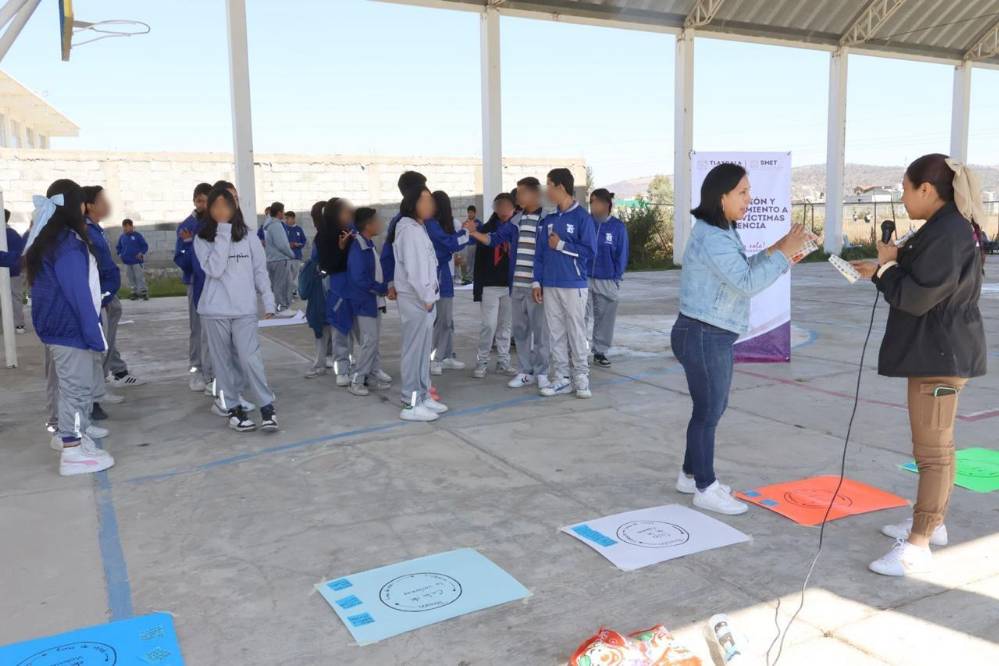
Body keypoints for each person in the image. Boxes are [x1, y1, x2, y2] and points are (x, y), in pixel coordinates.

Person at [850, 154, 987, 576]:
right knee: (936, 448)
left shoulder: (949, 233)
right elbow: (922, 282)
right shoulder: (946, 228)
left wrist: (886, 269)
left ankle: (918, 543)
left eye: (906, 188)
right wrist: (886, 264)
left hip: (940, 357)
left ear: (927, 190)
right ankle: (933, 522)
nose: (904, 197)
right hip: (936, 353)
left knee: (933, 454)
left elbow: (916, 296)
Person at [671, 163, 806, 515]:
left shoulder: (720, 230)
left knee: (709, 408)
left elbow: (742, 268)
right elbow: (746, 283)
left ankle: (690, 474)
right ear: (722, 197)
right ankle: (705, 486)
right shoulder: (714, 236)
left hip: (707, 332)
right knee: (709, 411)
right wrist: (783, 255)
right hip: (703, 334)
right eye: (742, 192)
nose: (749, 198)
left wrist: (778, 249)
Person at [24, 179, 115, 475]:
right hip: (70, 328)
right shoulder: (67, 244)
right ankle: (73, 450)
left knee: (72, 388)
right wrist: (93, 334)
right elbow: (78, 293)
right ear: (77, 207)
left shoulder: (50, 238)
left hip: (60, 326)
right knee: (76, 391)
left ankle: (75, 437)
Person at [195, 185, 279, 432]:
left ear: (235, 206)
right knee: (223, 364)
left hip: (244, 310)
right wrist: (222, 230)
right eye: (216, 205)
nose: (222, 210)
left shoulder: (250, 236)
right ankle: (233, 409)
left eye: (227, 205)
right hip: (215, 311)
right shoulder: (202, 239)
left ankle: (267, 407)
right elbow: (215, 269)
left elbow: (260, 271)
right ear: (209, 208)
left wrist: (269, 300)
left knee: (250, 359)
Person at [465, 178, 549, 388]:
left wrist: (544, 282)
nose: (517, 198)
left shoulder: (548, 220)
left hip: (537, 286)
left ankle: (542, 372)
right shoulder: (515, 222)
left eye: (520, 193)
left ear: (533, 195)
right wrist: (474, 233)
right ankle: (524, 371)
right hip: (517, 286)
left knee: (539, 332)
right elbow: (494, 239)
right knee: (520, 332)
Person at [532, 168, 597, 399]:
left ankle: (581, 378)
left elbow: (589, 252)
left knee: (576, 332)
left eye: (548, 185)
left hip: (574, 284)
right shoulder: (548, 219)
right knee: (556, 333)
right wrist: (536, 282)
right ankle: (561, 378)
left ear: (560, 187)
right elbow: (539, 253)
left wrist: (562, 246)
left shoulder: (582, 218)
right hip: (550, 284)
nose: (546, 190)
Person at [393, 186, 448, 422]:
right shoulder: (409, 231)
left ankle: (423, 395)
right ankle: (410, 402)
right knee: (414, 353)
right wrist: (427, 298)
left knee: (423, 352)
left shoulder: (418, 228)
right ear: (413, 203)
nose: (430, 205)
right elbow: (416, 270)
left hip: (424, 299)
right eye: (425, 200)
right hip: (417, 300)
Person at [83, 186, 142, 394]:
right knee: (103, 340)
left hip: (108, 291)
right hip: (102, 294)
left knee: (109, 336)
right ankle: (100, 385)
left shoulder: (96, 228)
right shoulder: (87, 231)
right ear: (89, 205)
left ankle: (117, 371)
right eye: (101, 199)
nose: (107, 203)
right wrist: (104, 295)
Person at [468, 193, 516, 378]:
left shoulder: (517, 229)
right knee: (489, 325)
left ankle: (503, 361)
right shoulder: (485, 229)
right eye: (500, 206)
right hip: (489, 284)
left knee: (505, 325)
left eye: (507, 206)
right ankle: (482, 361)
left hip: (509, 285)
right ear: (495, 208)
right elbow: (475, 246)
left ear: (513, 208)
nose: (504, 210)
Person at [345, 207, 391, 396]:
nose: (380, 223)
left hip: (373, 301)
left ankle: (371, 376)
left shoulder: (368, 244)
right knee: (369, 341)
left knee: (373, 341)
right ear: (367, 224)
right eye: (376, 220)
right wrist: (381, 288)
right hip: (364, 302)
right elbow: (359, 278)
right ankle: (357, 379)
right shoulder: (358, 246)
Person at [425, 190, 470, 376]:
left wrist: (466, 233)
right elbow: (451, 244)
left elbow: (454, 244)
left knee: (447, 320)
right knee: (440, 321)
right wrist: (466, 232)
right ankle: (435, 358)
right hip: (434, 276)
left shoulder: (443, 224)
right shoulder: (430, 224)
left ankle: (446, 355)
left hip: (444, 276)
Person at [319, 197, 362, 386]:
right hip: (338, 288)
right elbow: (327, 265)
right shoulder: (324, 236)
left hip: (357, 287)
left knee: (362, 331)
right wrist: (341, 248)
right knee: (340, 331)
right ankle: (342, 370)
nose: (348, 214)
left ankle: (367, 368)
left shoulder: (354, 232)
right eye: (344, 211)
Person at [175, 182, 212, 392]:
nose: (203, 205)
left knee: (215, 330)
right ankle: (196, 369)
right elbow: (181, 259)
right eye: (199, 200)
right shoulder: (186, 226)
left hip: (215, 283)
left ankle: (212, 371)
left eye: (206, 200)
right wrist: (189, 247)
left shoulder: (216, 224)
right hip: (195, 282)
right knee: (197, 328)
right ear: (194, 201)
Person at [586, 189, 629, 367]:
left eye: (595, 202)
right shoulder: (586, 223)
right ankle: (578, 351)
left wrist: (616, 277)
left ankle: (600, 351)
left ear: (606, 205)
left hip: (607, 279)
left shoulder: (617, 227)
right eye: (591, 202)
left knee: (605, 316)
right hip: (584, 277)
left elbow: (622, 254)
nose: (592, 205)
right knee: (580, 315)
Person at [303, 200, 333, 378]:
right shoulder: (339, 234)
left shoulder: (321, 237)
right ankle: (329, 359)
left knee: (321, 325)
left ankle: (321, 362)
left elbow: (315, 259)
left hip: (322, 285)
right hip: (330, 284)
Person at [262, 201, 295, 310]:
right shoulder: (276, 225)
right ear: (279, 212)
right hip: (280, 260)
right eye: (283, 211)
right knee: (283, 285)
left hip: (272, 260)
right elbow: (282, 245)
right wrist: (291, 254)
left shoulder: (269, 225)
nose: (284, 214)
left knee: (275, 285)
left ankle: (276, 307)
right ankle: (282, 308)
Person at [0, 208, 26, 334]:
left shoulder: (7, 234)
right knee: (16, 297)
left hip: (10, 270)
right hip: (15, 271)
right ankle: (18, 324)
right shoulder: (14, 234)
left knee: (14, 297)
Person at [116, 218, 149, 300]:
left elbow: (145, 246)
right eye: (124, 227)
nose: (126, 229)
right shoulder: (122, 237)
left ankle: (143, 292)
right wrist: (120, 254)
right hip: (127, 262)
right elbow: (118, 247)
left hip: (137, 261)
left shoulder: (137, 236)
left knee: (139, 277)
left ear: (132, 226)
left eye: (127, 226)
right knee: (131, 277)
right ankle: (134, 293)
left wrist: (141, 253)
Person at [285, 210, 307, 297]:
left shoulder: (299, 229)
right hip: (287, 257)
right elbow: (283, 242)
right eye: (285, 218)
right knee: (288, 276)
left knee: (296, 275)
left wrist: (299, 245)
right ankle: (289, 292)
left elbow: (304, 241)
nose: (286, 220)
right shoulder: (284, 229)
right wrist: (291, 244)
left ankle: (295, 291)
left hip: (297, 256)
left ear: (293, 218)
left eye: (288, 218)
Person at [458, 204, 480, 285]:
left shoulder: (478, 223)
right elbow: (461, 233)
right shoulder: (465, 223)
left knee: (472, 262)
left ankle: (470, 278)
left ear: (475, 213)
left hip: (474, 244)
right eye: (469, 212)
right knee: (466, 262)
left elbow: (481, 233)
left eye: (471, 212)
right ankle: (467, 277)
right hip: (466, 245)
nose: (470, 214)